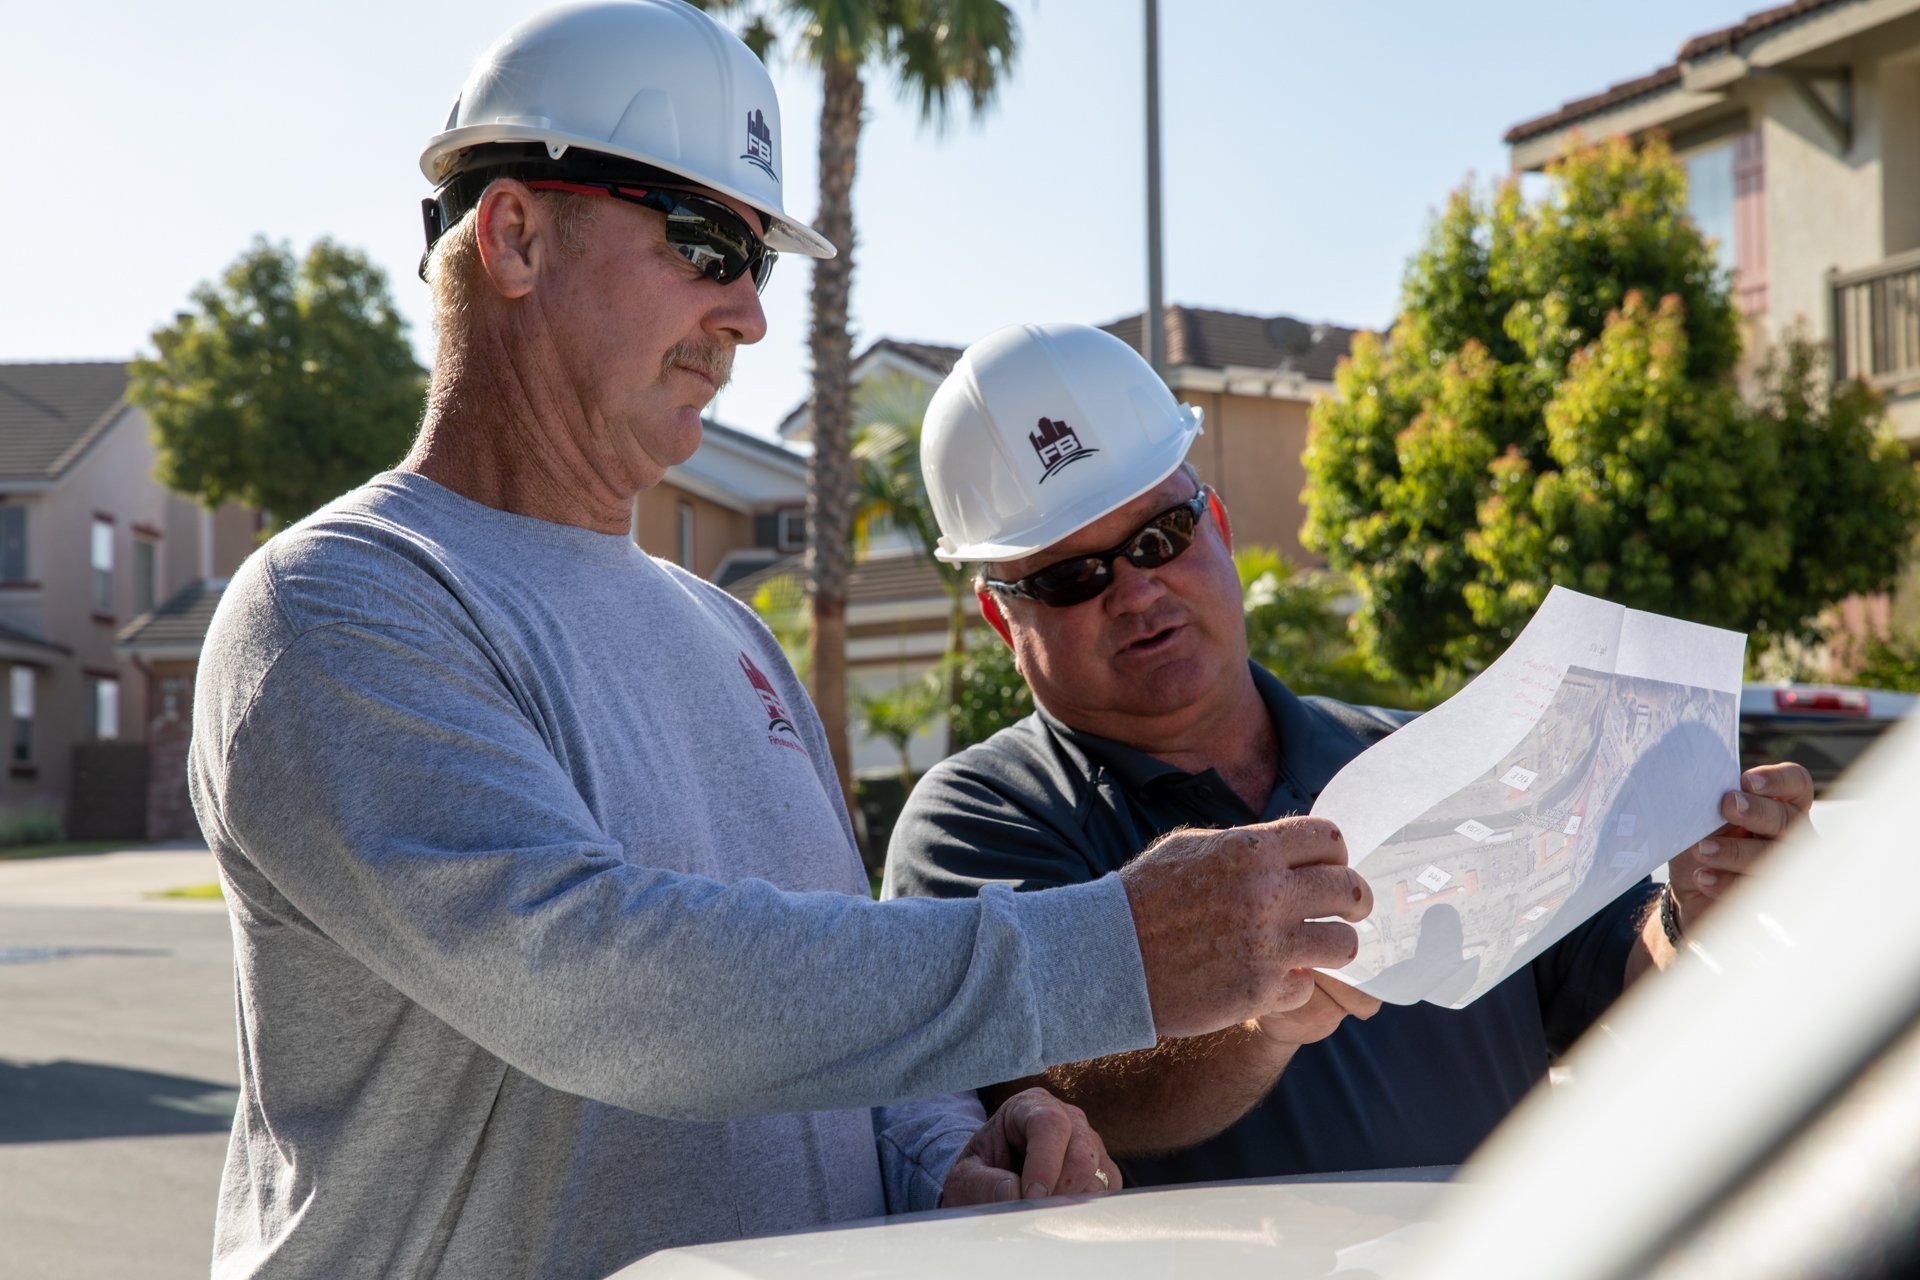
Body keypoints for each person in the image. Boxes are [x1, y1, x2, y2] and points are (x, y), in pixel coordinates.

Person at [189, 7, 1376, 1277]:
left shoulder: (732, 635)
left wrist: (949, 1162)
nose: (748, 315)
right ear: (517, 234)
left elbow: (848, 1043)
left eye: (758, 262)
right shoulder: (337, 606)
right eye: (707, 243)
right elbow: (604, 992)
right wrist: (1117, 948)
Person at [885, 321, 1813, 1184]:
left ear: (1221, 529)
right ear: (1004, 617)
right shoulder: (981, 819)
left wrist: (1700, 912)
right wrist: (1257, 1021)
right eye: (1072, 575)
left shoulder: (1426, 755)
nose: (1135, 593)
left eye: (1160, 538)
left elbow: (1614, 990)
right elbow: (1058, 1102)